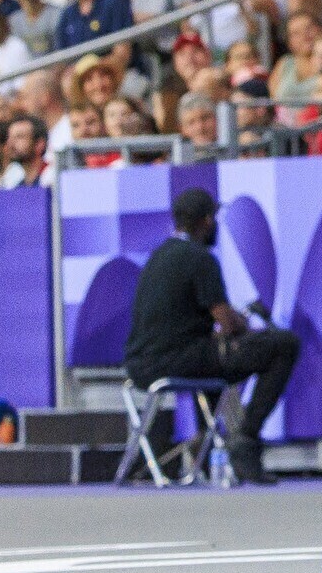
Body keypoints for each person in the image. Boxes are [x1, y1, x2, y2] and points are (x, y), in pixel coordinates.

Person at [122, 186, 300, 484]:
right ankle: (245, 439)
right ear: (206, 221)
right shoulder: (199, 258)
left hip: (140, 365)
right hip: (178, 361)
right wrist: (243, 322)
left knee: (211, 355)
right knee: (284, 344)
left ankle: (207, 443)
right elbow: (227, 323)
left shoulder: (157, 256)